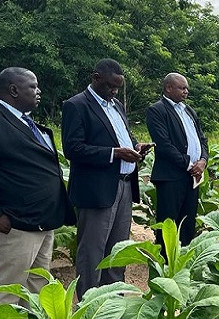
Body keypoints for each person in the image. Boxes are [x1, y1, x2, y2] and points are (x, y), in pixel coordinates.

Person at [0, 67, 75, 319]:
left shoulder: (25, 121)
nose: (39, 92)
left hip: (42, 221)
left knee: (37, 285)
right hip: (15, 224)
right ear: (13, 90)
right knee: (7, 287)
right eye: (33, 87)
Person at [62, 59, 153, 298]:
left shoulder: (116, 106)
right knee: (92, 252)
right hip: (96, 190)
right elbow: (73, 148)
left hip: (123, 187)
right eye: (111, 86)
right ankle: (89, 306)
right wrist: (115, 153)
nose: (114, 91)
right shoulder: (77, 105)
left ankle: (113, 305)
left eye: (117, 87)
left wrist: (136, 147)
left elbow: (123, 138)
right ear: (96, 78)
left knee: (117, 251)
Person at [146, 73, 208, 249]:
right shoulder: (157, 110)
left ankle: (183, 264)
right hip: (171, 177)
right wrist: (190, 165)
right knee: (169, 226)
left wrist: (203, 161)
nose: (186, 91)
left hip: (193, 177)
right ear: (168, 88)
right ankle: (164, 267)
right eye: (182, 88)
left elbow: (202, 140)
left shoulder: (189, 111)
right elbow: (164, 146)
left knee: (187, 224)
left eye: (187, 88)